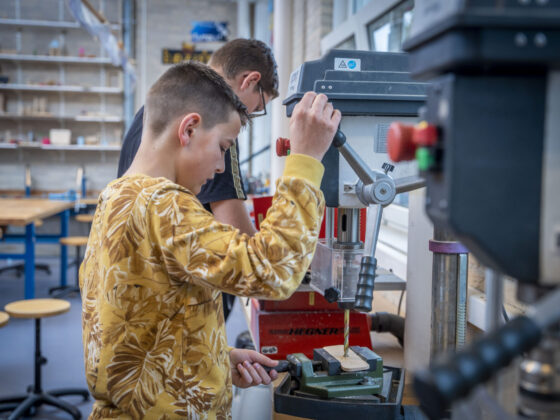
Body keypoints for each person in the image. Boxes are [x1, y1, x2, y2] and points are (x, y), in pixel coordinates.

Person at [80, 61, 340, 419]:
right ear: (188, 129)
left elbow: (140, 324)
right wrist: (306, 159)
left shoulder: (116, 195)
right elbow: (273, 270)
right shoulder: (164, 204)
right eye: (222, 146)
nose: (221, 166)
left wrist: (213, 358)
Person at [117, 39, 278, 321]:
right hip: (185, 302)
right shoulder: (214, 124)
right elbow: (257, 265)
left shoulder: (153, 113)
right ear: (250, 80)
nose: (219, 165)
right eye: (260, 104)